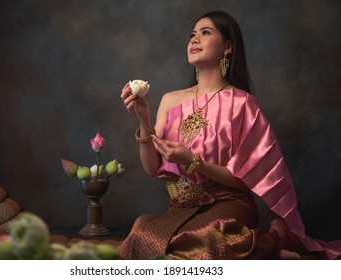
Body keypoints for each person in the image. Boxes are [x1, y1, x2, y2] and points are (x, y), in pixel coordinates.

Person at [118, 10, 341, 260]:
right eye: (192, 34)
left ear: (228, 47)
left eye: (205, 33)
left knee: (200, 249)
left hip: (228, 203)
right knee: (141, 236)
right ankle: (267, 244)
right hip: (180, 207)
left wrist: (192, 161)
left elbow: (247, 181)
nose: (194, 39)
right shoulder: (170, 100)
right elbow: (151, 168)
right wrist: (143, 120)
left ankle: (273, 237)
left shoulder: (242, 104)